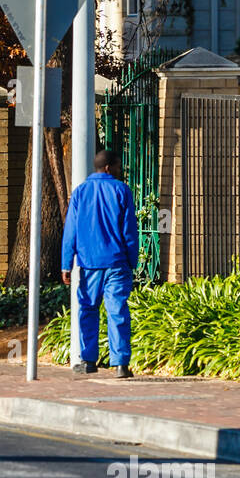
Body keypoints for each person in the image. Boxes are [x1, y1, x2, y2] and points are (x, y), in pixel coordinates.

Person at [61, 149, 141, 379]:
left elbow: (71, 232)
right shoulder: (121, 190)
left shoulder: (80, 193)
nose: (120, 170)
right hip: (116, 263)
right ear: (108, 167)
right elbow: (129, 231)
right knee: (117, 311)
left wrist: (66, 264)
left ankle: (88, 361)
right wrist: (132, 260)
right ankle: (121, 365)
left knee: (87, 309)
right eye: (117, 166)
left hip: (89, 264)